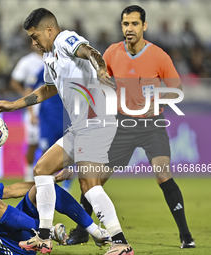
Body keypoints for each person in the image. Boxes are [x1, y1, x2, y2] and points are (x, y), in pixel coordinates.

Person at [0, 8, 134, 255]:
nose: (33, 42)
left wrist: (100, 68)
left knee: (89, 186)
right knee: (42, 169)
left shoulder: (65, 39)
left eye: (35, 36)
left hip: (96, 120)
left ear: (49, 29)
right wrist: (14, 104)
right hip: (79, 126)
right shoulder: (49, 57)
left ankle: (120, 242)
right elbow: (48, 89)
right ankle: (44, 237)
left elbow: (90, 51)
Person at [67, 5, 195, 250]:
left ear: (144, 26)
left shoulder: (159, 56)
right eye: (125, 24)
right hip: (122, 124)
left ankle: (186, 235)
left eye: (135, 24)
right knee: (95, 180)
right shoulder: (113, 52)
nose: (129, 28)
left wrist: (158, 100)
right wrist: (102, 76)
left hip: (152, 124)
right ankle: (82, 231)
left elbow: (177, 89)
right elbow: (101, 79)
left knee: (162, 174)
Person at [0, 162, 110, 255]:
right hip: (7, 244)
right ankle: (47, 232)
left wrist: (51, 179)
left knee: (43, 188)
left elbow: (14, 190)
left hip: (20, 226)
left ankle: (95, 232)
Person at [10, 45, 43, 181]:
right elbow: (14, 81)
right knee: (33, 143)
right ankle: (29, 174)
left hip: (52, 108)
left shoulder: (55, 59)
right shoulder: (27, 61)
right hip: (33, 108)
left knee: (51, 144)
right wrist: (25, 97)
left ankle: (46, 174)